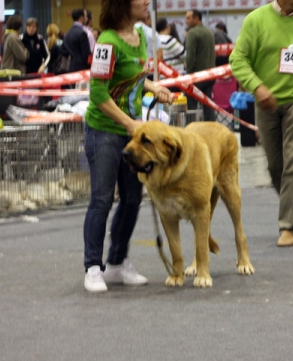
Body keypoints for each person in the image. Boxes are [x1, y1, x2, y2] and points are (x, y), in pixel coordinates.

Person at [82, 0, 173, 292]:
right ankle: (93, 267)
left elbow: (131, 77)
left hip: (131, 131)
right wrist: (128, 123)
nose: (147, 2)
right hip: (104, 130)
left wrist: (152, 87)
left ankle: (118, 263)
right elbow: (97, 91)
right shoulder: (107, 43)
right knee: (102, 199)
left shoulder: (142, 36)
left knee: (133, 199)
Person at [230, 0, 293, 247]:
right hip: (266, 103)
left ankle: (288, 226)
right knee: (276, 166)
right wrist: (258, 87)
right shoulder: (256, 20)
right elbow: (238, 59)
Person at [185, 9, 216, 121]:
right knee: (208, 106)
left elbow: (190, 56)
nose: (186, 21)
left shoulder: (192, 33)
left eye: (188, 18)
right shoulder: (209, 32)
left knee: (191, 107)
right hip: (210, 75)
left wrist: (188, 74)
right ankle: (212, 129)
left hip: (197, 77)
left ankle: (192, 130)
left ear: (196, 18)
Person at [61, 9, 91, 73]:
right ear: (81, 17)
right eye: (86, 16)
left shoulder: (67, 33)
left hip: (71, 67)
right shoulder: (82, 33)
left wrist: (71, 55)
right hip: (82, 68)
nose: (87, 18)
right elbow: (86, 54)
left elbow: (62, 50)